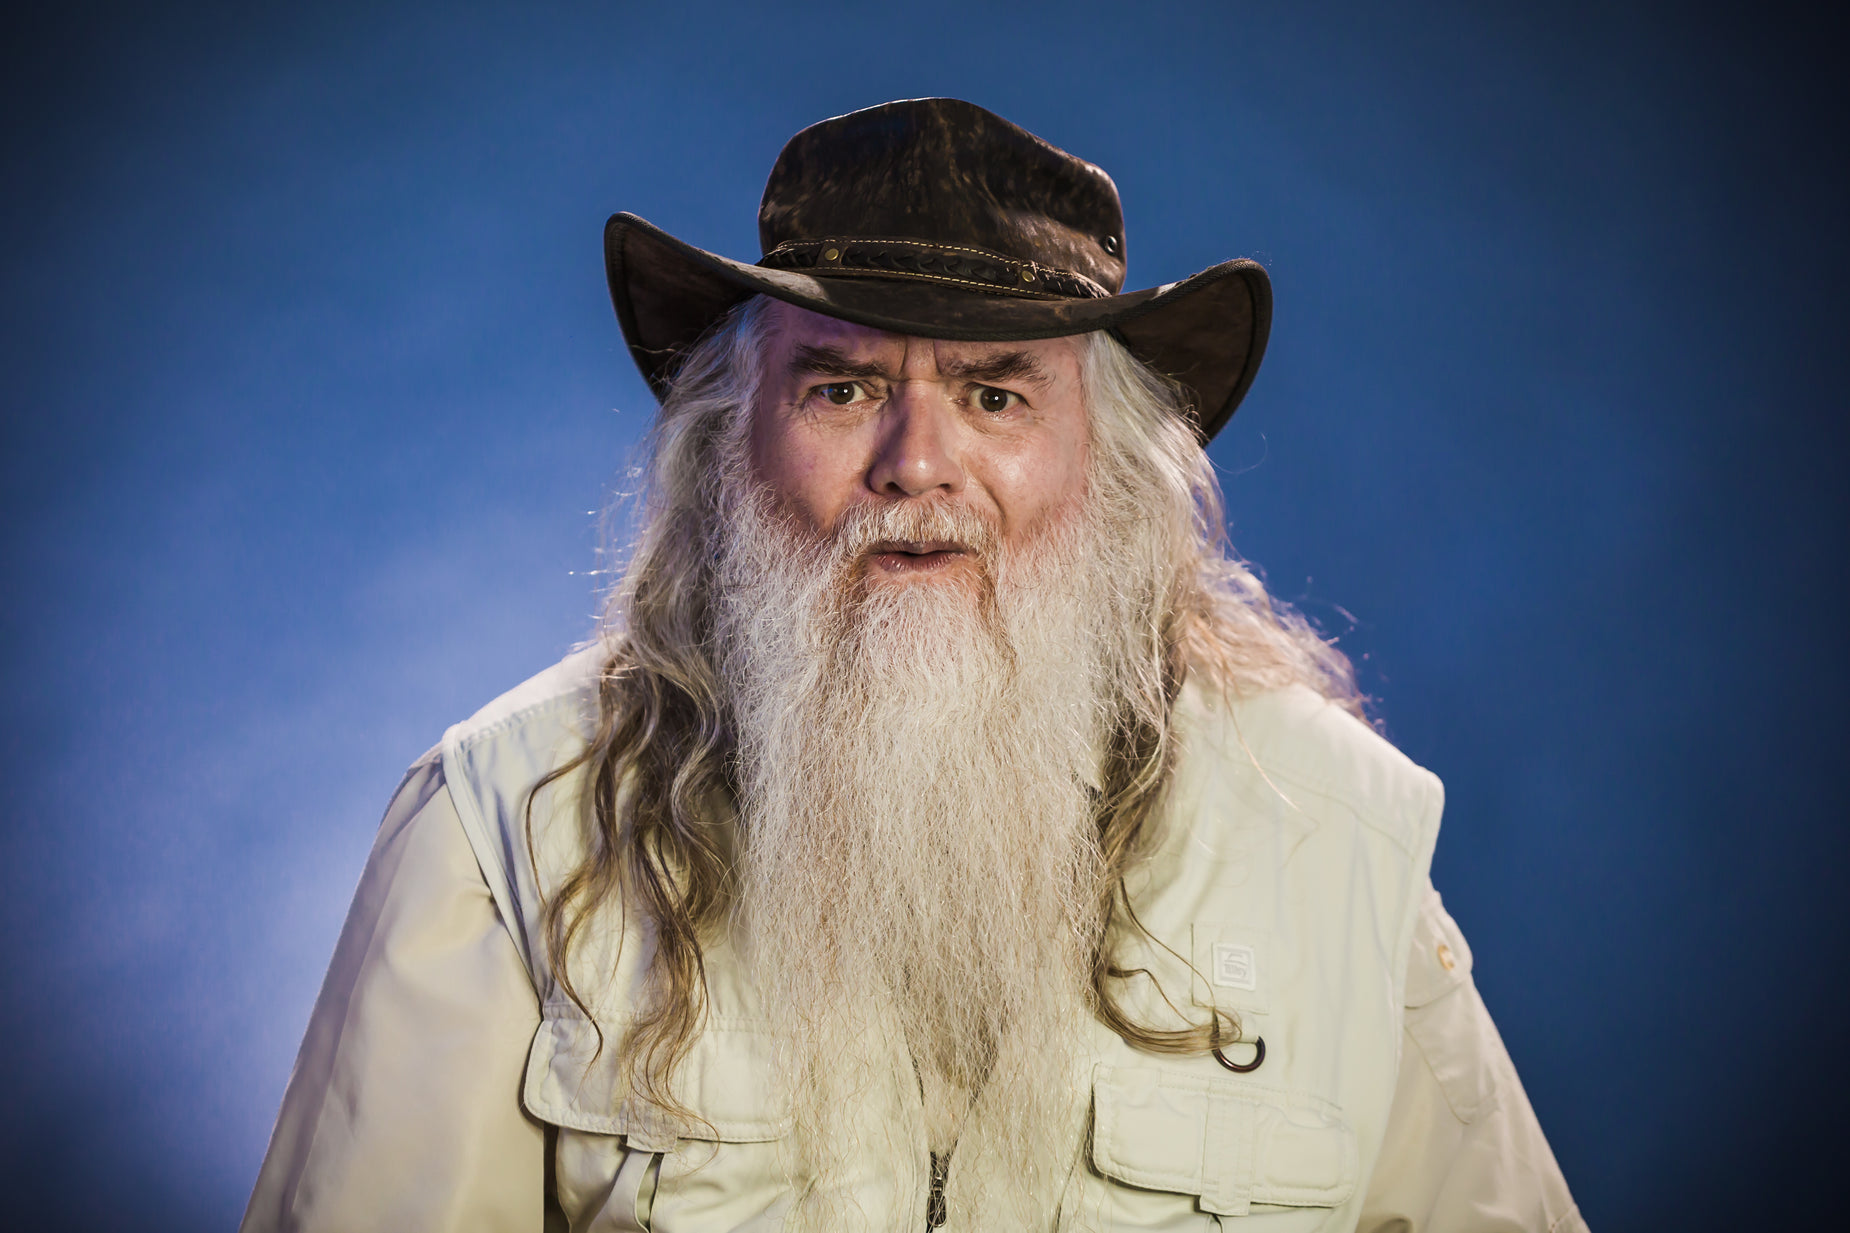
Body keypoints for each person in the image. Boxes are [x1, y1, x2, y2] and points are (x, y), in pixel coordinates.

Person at [241, 98, 1586, 1233]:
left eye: (996, 393)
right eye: (841, 388)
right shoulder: (504, 830)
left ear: (1108, 471)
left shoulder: (1333, 838)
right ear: (729, 447)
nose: (918, 462)